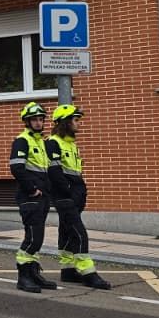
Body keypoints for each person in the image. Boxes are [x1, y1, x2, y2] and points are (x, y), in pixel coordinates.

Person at [46, 104, 110, 289]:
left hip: (75, 193)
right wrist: (68, 191)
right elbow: (55, 172)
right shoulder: (53, 143)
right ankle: (88, 272)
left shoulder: (71, 144)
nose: (78, 123)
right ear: (65, 122)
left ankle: (67, 270)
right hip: (65, 195)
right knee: (79, 233)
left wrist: (80, 192)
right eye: (75, 120)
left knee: (66, 231)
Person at [9, 102, 58, 293]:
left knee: (37, 238)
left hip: (42, 196)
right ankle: (23, 277)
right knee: (32, 238)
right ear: (27, 121)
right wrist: (31, 189)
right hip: (30, 196)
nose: (38, 123)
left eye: (40, 119)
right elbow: (16, 168)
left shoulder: (41, 141)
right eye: (34, 120)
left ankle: (33, 274)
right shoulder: (22, 140)